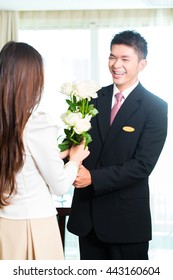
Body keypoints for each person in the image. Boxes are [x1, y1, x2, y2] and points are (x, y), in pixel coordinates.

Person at [67, 30, 168, 260]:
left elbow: (143, 165)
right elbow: (76, 145)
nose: (116, 64)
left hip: (127, 223)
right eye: (112, 57)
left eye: (125, 59)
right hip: (88, 219)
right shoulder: (90, 99)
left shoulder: (155, 108)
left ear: (142, 64)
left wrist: (93, 178)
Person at [0, 41, 90, 260]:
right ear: (30, 80)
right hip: (34, 225)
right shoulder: (37, 124)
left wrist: (55, 156)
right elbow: (59, 185)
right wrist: (75, 159)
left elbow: (16, 159)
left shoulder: (6, 122)